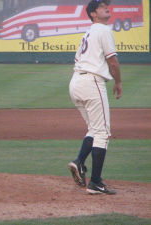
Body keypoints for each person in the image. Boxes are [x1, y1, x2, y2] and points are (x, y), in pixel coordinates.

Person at [68, 0, 123, 195]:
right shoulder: (103, 29)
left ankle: (79, 162)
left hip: (76, 83)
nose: (106, 7)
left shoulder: (89, 32)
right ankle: (96, 182)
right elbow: (113, 62)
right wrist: (118, 82)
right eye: (101, 6)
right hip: (92, 83)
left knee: (94, 129)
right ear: (93, 14)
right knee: (102, 132)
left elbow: (77, 59)